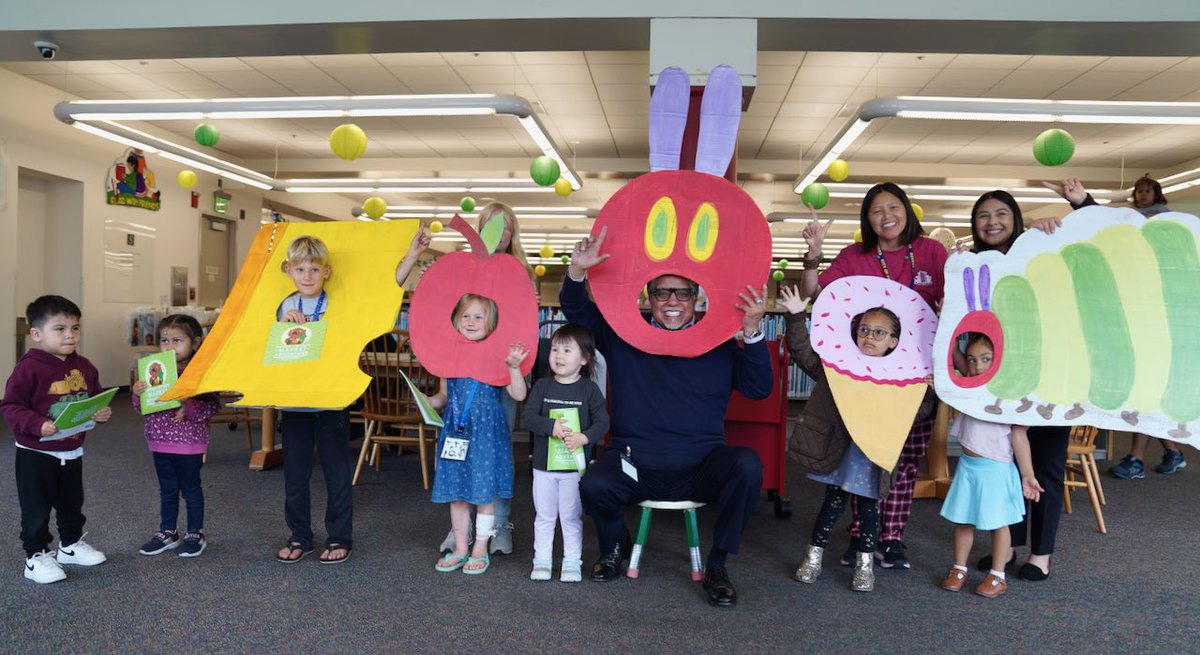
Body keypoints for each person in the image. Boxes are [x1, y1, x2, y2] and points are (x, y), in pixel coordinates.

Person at [562, 227, 773, 607]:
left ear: (697, 298)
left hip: (699, 464)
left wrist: (753, 333)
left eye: (683, 292)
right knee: (592, 484)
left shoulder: (719, 344)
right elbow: (578, 314)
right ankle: (614, 546)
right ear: (649, 297)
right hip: (633, 460)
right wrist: (577, 273)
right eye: (662, 292)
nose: (672, 301)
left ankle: (718, 564)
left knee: (747, 465)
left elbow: (758, 389)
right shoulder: (624, 335)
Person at [799, 182, 947, 569]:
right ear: (867, 219)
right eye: (877, 210)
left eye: (893, 207)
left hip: (914, 377)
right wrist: (813, 257)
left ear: (908, 211)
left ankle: (892, 537)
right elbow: (815, 293)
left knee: (904, 458)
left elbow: (956, 305)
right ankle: (858, 536)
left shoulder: (931, 252)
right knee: (861, 451)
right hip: (862, 376)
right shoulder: (855, 256)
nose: (887, 216)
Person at [781, 286, 936, 592]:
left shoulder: (901, 377)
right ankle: (813, 558)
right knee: (831, 505)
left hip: (872, 454)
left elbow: (917, 412)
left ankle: (865, 565)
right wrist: (798, 316)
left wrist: (928, 390)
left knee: (868, 510)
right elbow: (803, 354)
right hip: (841, 451)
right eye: (864, 329)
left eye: (880, 333)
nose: (869, 337)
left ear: (895, 341)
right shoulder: (839, 368)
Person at [962, 185, 1080, 581]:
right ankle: (1008, 546)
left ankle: (1040, 554)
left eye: (1000, 214)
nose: (992, 222)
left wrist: (1079, 205)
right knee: (1006, 466)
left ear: (1015, 218)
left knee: (1044, 467)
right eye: (983, 216)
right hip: (1001, 384)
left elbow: (1092, 239)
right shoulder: (973, 263)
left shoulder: (1041, 247)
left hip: (1049, 381)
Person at [1, 296, 113, 584]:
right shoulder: (29, 368)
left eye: (75, 328)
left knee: (71, 502)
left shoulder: (85, 366)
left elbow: (94, 399)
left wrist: (101, 413)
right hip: (36, 452)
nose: (70, 335)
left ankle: (70, 545)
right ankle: (36, 556)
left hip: (72, 449)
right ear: (37, 334)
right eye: (60, 329)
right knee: (37, 507)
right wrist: (37, 424)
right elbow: (11, 406)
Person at [425, 294, 529, 574]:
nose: (471, 321)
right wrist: (426, 401)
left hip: (485, 433)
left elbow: (518, 394)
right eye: (465, 316)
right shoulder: (449, 357)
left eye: (478, 317)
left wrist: (513, 368)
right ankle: (461, 546)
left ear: (491, 324)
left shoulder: (498, 356)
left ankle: (480, 547)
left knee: (483, 494)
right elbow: (444, 396)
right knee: (457, 494)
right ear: (456, 322)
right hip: (456, 431)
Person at [938, 334, 1044, 598]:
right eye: (973, 360)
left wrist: (1028, 474)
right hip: (968, 467)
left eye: (985, 359)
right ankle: (958, 568)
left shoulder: (1011, 396)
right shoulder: (970, 387)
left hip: (996, 470)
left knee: (999, 524)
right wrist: (949, 341)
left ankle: (998, 575)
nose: (977, 366)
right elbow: (958, 361)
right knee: (963, 520)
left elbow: (1020, 437)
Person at [274, 236, 355, 565]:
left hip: (330, 399)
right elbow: (271, 349)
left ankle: (339, 536)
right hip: (294, 402)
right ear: (289, 271)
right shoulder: (282, 305)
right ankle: (299, 536)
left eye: (314, 269)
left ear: (327, 271)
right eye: (300, 269)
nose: (307, 275)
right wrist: (283, 325)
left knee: (336, 473)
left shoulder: (337, 304)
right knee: (295, 475)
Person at [520, 324, 609, 583]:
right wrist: (550, 426)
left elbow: (603, 423)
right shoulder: (542, 386)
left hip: (573, 468)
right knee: (545, 516)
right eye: (555, 349)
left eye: (567, 350)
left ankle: (572, 562)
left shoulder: (589, 390)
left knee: (571, 516)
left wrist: (585, 436)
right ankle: (542, 561)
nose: (558, 355)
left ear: (584, 358)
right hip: (543, 467)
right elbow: (527, 417)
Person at [131, 315, 222, 558]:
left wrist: (188, 406)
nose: (169, 346)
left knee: (191, 489)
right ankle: (168, 532)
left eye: (177, 340)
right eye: (164, 340)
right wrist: (138, 393)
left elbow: (213, 405)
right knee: (167, 490)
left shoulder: (199, 372)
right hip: (159, 442)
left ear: (195, 343)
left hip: (189, 444)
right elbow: (141, 409)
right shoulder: (153, 369)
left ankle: (195, 533)